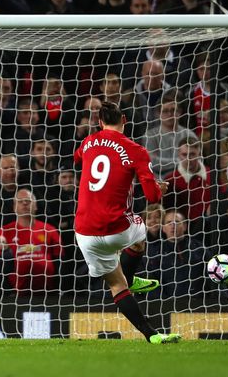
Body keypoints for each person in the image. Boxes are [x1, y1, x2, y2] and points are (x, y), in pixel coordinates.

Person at [73, 102, 181, 344]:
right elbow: (152, 197)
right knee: (141, 229)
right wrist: (157, 186)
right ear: (124, 119)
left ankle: (151, 336)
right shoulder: (136, 150)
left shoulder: (88, 142)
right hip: (117, 228)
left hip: (84, 232)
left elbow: (77, 158)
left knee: (116, 285)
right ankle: (132, 279)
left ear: (99, 122)